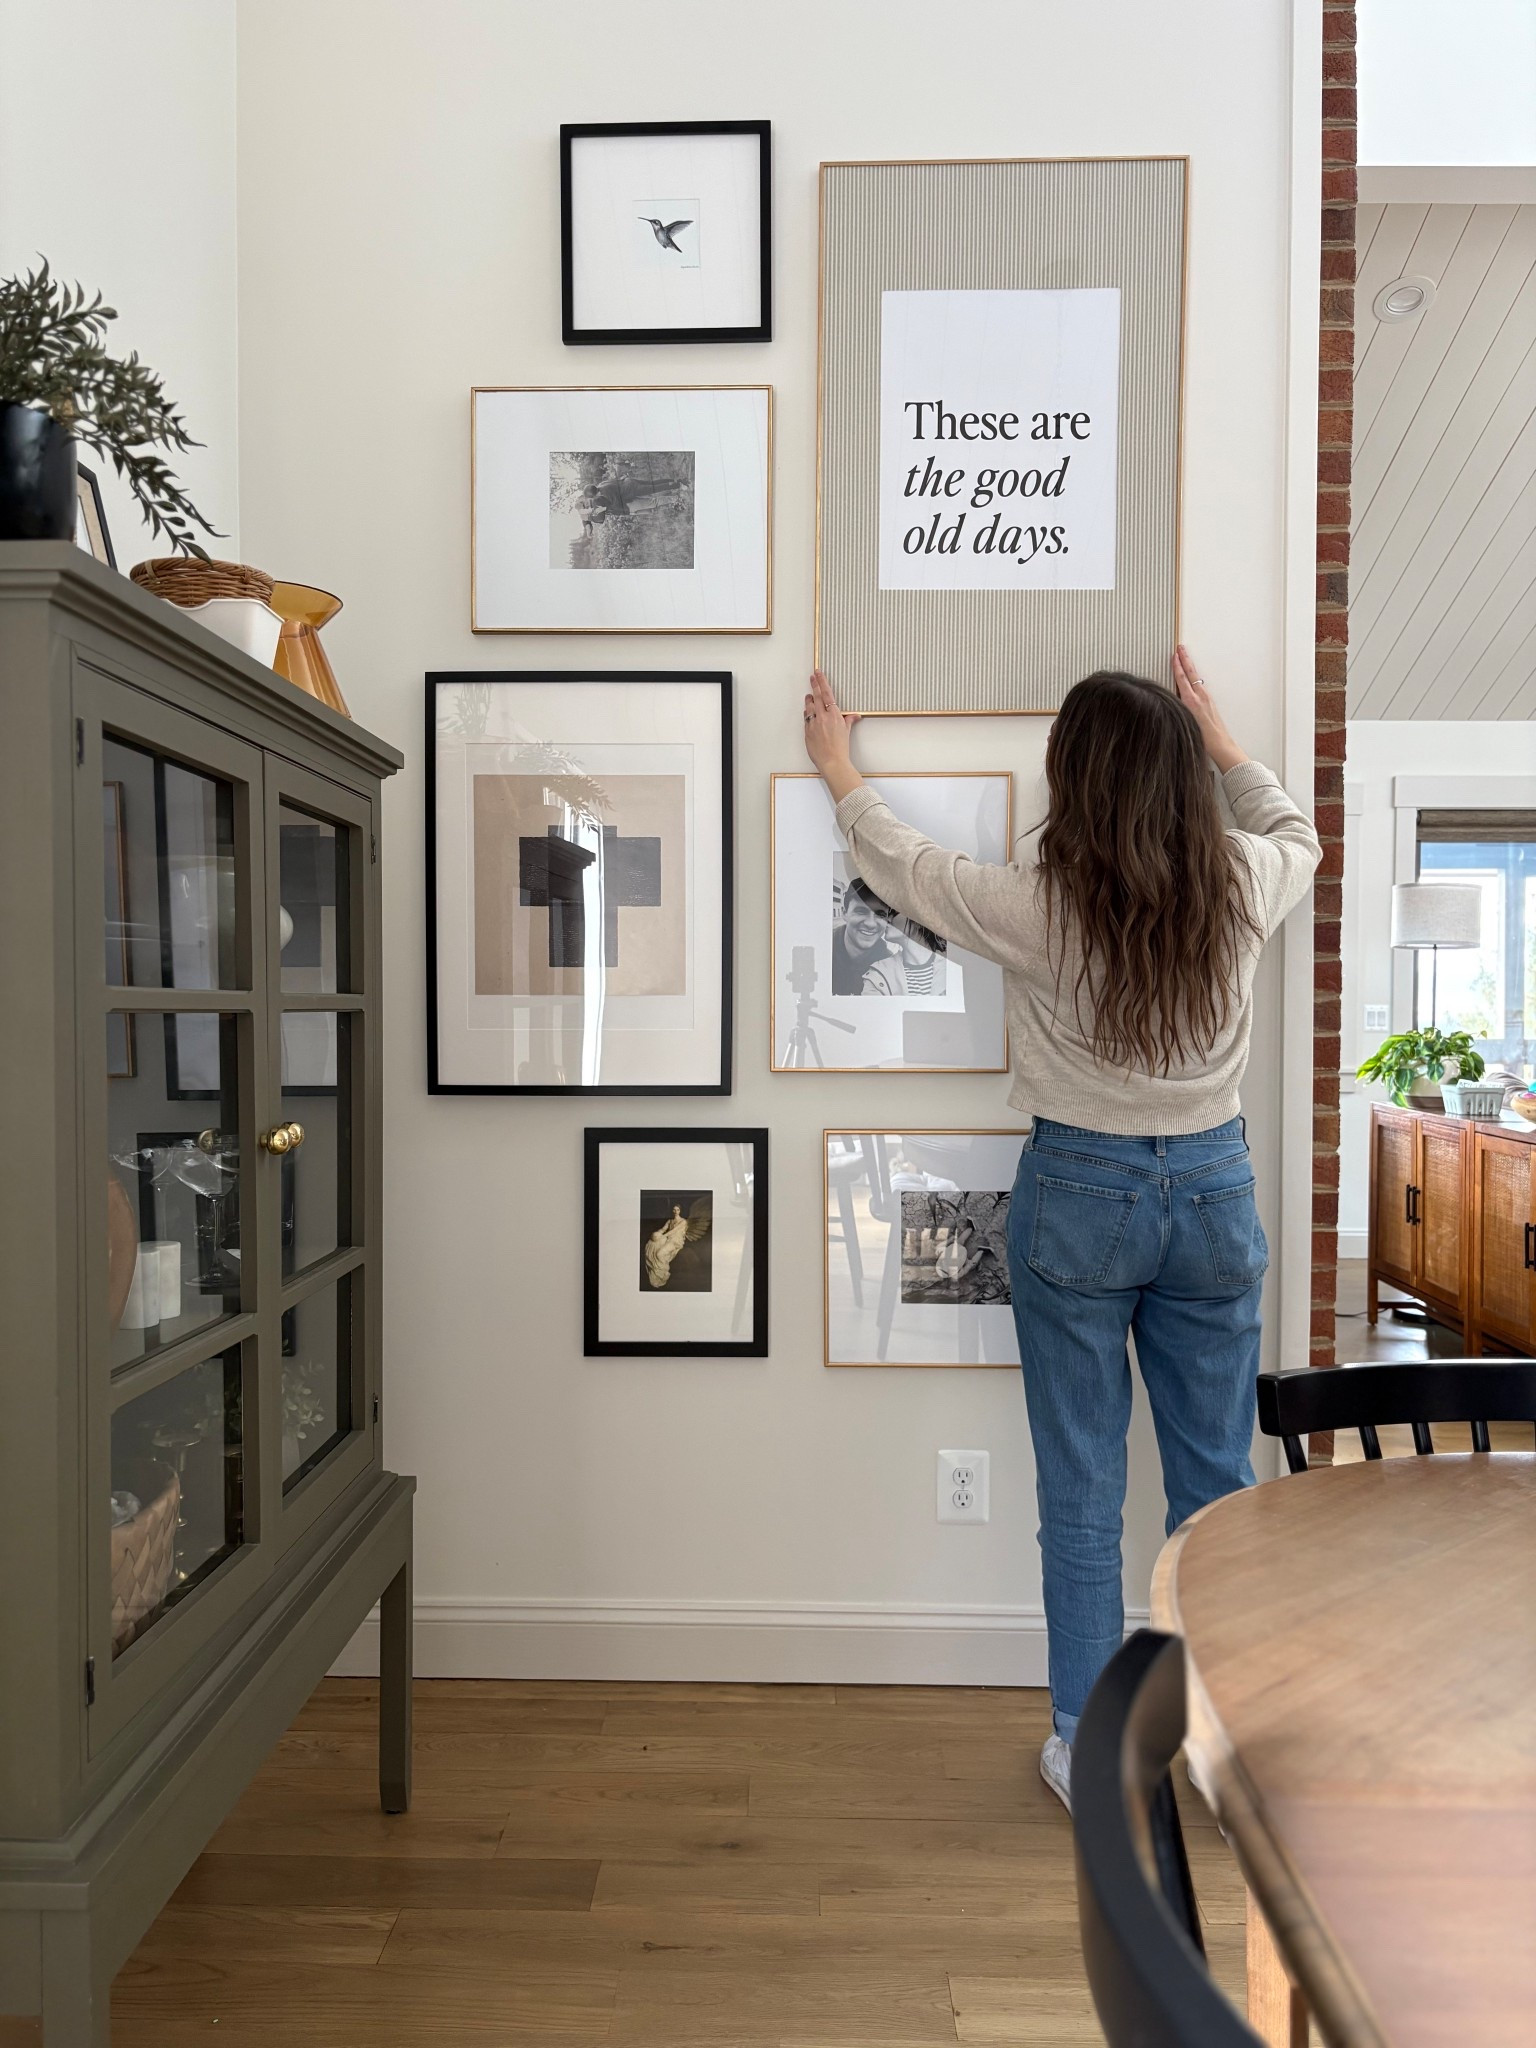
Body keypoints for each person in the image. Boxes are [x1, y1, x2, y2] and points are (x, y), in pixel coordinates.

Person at [800, 650, 1320, 1813]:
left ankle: (1091, 1744)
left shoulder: (1040, 905)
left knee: (1082, 1490)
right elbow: (1300, 833)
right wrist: (1226, 742)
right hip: (1215, 1189)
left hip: (1078, 1194)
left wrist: (838, 766)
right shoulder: (1240, 881)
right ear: (1181, 782)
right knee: (1217, 1488)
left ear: (1074, 782)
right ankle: (1221, 1745)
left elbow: (911, 868)